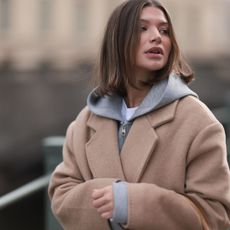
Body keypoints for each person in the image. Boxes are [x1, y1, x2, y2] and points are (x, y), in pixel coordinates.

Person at [48, 0, 230, 229]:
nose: (157, 37)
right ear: (117, 40)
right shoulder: (85, 122)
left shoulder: (198, 122)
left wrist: (132, 203)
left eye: (164, 30)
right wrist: (112, 203)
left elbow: (215, 218)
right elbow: (61, 194)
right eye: (142, 28)